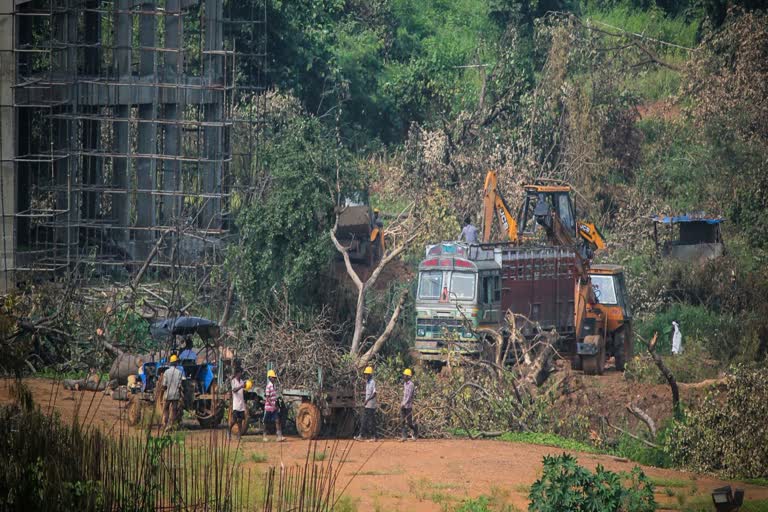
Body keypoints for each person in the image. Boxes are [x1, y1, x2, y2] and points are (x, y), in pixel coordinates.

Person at [162, 355, 184, 433]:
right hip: (176, 395)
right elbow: (180, 385)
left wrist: (163, 391)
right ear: (176, 363)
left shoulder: (166, 372)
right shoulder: (179, 372)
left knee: (166, 409)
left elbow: (164, 385)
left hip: (168, 394)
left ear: (170, 363)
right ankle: (172, 425)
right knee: (174, 410)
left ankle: (166, 424)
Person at [355, 366, 377, 442]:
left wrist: (367, 400)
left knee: (371, 421)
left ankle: (373, 436)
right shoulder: (367, 383)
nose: (365, 375)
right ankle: (362, 435)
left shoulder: (372, 382)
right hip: (367, 404)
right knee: (364, 420)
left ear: (370, 375)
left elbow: (374, 394)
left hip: (371, 405)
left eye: (367, 374)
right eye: (365, 374)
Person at [263, 369, 284, 442]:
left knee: (277, 420)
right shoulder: (268, 386)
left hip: (273, 407)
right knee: (266, 422)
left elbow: (274, 397)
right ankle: (264, 436)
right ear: (269, 378)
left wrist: (276, 405)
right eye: (272, 377)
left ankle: (279, 436)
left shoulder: (274, 386)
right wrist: (272, 404)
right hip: (268, 407)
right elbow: (267, 398)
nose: (274, 378)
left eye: (274, 377)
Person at [400, 368, 418, 442]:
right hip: (403, 405)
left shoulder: (411, 385)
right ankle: (404, 437)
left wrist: (404, 403)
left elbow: (409, 396)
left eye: (405, 375)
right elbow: (404, 395)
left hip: (408, 406)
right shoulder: (405, 384)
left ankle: (415, 429)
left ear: (408, 376)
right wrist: (402, 403)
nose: (404, 376)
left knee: (409, 422)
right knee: (402, 421)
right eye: (404, 375)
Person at [229, 367, 247, 439]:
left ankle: (239, 435)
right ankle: (229, 431)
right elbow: (234, 390)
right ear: (236, 374)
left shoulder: (242, 381)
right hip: (236, 404)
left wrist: (245, 387)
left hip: (241, 404)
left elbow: (243, 391)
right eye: (239, 373)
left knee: (240, 420)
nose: (240, 374)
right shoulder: (233, 381)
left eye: (241, 373)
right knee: (234, 420)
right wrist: (241, 386)